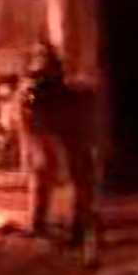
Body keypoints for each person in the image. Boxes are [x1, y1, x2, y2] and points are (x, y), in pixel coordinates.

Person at [19, 41, 97, 251]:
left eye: (43, 56)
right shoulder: (35, 86)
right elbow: (30, 110)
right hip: (48, 134)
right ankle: (44, 223)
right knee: (44, 175)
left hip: (65, 134)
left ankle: (78, 227)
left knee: (76, 177)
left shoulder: (62, 90)